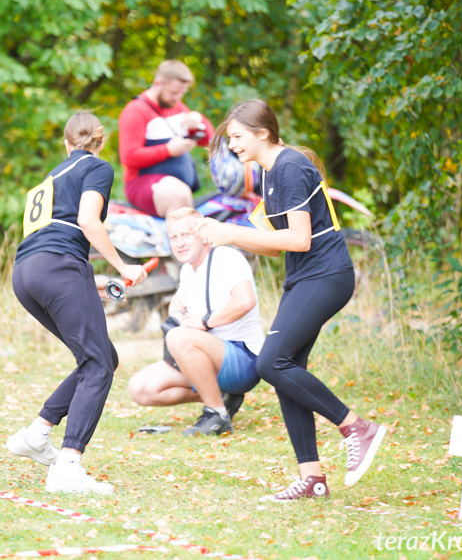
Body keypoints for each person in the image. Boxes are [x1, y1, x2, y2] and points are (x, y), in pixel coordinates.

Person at [195, 98, 386, 502]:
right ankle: (312, 477)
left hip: (326, 276)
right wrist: (225, 233)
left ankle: (356, 427)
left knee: (270, 362)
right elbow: (274, 248)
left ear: (262, 133)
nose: (232, 147)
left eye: (237, 137)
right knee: (286, 369)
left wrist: (230, 234)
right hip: (303, 277)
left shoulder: (290, 167)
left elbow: (298, 239)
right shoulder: (269, 174)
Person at [6, 111, 147, 495]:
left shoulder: (49, 179)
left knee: (100, 358)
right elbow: (88, 221)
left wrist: (94, 284)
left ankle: (37, 434)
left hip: (26, 273)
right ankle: (68, 465)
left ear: (66, 143)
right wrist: (124, 265)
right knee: (98, 362)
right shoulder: (97, 167)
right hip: (58, 269)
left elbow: (58, 237)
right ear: (100, 142)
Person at [127, 207, 265, 436]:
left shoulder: (225, 257)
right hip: (208, 357)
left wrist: (206, 322)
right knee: (140, 388)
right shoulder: (189, 270)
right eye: (174, 237)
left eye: (186, 235)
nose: (179, 243)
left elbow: (245, 301)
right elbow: (177, 303)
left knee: (178, 337)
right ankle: (221, 397)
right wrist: (179, 317)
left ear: (201, 234)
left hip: (243, 358)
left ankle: (216, 414)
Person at [118, 60, 215, 218]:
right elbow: (128, 157)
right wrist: (168, 150)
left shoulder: (177, 107)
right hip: (142, 183)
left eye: (182, 93)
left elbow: (210, 139)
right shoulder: (136, 111)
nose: (177, 98)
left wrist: (198, 120)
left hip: (177, 184)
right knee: (178, 195)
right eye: (173, 92)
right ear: (158, 83)